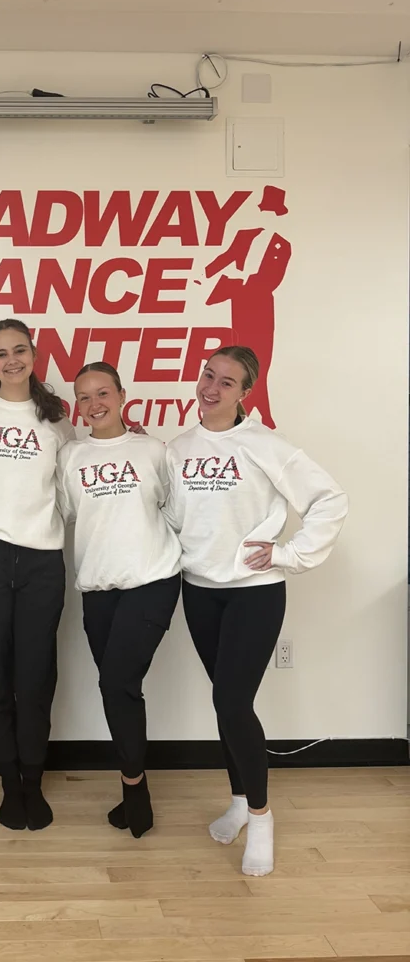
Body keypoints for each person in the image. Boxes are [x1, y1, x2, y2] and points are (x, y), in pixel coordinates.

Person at [163, 345, 348, 876]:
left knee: (231, 699)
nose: (211, 388)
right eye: (207, 376)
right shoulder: (178, 448)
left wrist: (289, 554)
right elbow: (176, 517)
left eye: (227, 382)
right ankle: (240, 801)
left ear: (245, 393)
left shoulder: (266, 444)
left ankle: (263, 818)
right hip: (199, 589)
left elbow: (329, 499)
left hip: (254, 591)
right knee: (226, 705)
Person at [0, 318, 75, 830]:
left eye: (19, 350)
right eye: (0, 354)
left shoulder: (57, 420)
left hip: (42, 562)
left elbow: (70, 494)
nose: (11, 361)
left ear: (33, 354)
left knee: (36, 678)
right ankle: (9, 783)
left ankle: (33, 780)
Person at [57, 362, 181, 838]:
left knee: (116, 684)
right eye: (84, 397)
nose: (94, 405)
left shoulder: (153, 450)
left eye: (102, 393)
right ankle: (134, 785)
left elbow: (179, 510)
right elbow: (67, 516)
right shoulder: (70, 457)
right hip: (98, 589)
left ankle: (134, 789)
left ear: (122, 394)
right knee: (121, 689)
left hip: (152, 582)